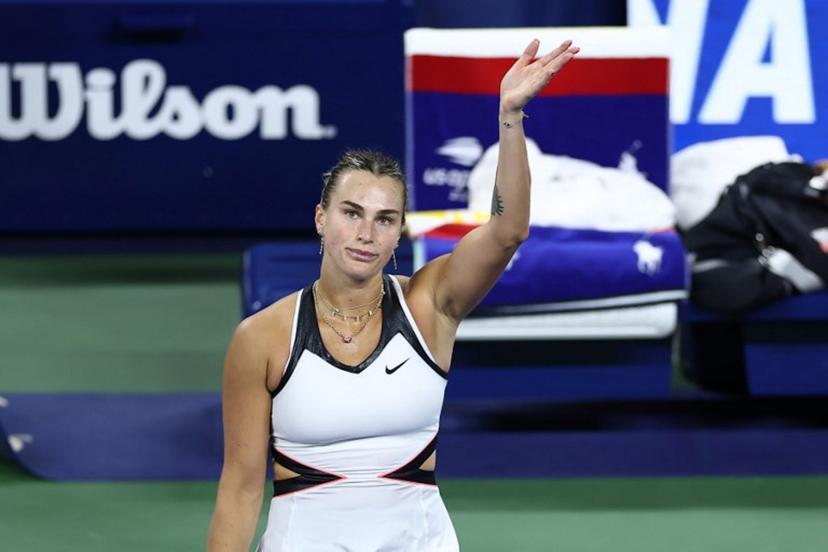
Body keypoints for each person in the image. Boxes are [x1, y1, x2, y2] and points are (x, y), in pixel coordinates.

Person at [207, 38, 579, 551]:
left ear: (399, 234)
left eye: (384, 220)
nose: (365, 234)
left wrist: (510, 115)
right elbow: (241, 487)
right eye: (351, 213)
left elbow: (506, 231)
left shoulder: (431, 305)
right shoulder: (262, 338)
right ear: (321, 218)